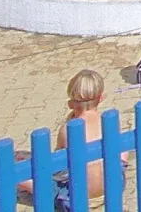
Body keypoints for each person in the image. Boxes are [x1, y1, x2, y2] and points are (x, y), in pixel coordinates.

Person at [17, 71, 130, 206]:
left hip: (77, 196)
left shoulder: (67, 130)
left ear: (71, 103)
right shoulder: (109, 123)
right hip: (112, 187)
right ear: (100, 98)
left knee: (17, 178)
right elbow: (123, 153)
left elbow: (57, 166)